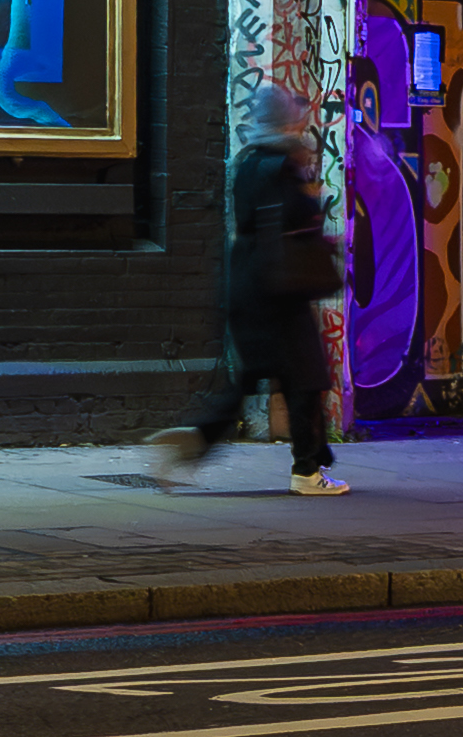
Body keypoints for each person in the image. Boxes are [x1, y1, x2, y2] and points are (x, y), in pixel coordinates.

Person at [146, 83, 349, 493]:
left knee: (252, 380)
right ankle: (308, 472)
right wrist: (314, 205)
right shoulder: (282, 166)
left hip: (248, 285)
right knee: (306, 379)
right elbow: (295, 221)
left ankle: (194, 439)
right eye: (294, 113)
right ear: (287, 120)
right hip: (280, 290)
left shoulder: (247, 163)